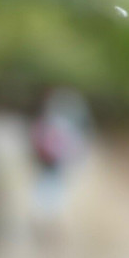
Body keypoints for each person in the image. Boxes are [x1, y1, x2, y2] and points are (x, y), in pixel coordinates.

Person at [29, 88, 90, 231]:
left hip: (46, 162)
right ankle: (49, 218)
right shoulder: (66, 125)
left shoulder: (48, 121)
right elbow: (74, 148)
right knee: (54, 188)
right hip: (55, 163)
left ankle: (42, 216)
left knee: (44, 186)